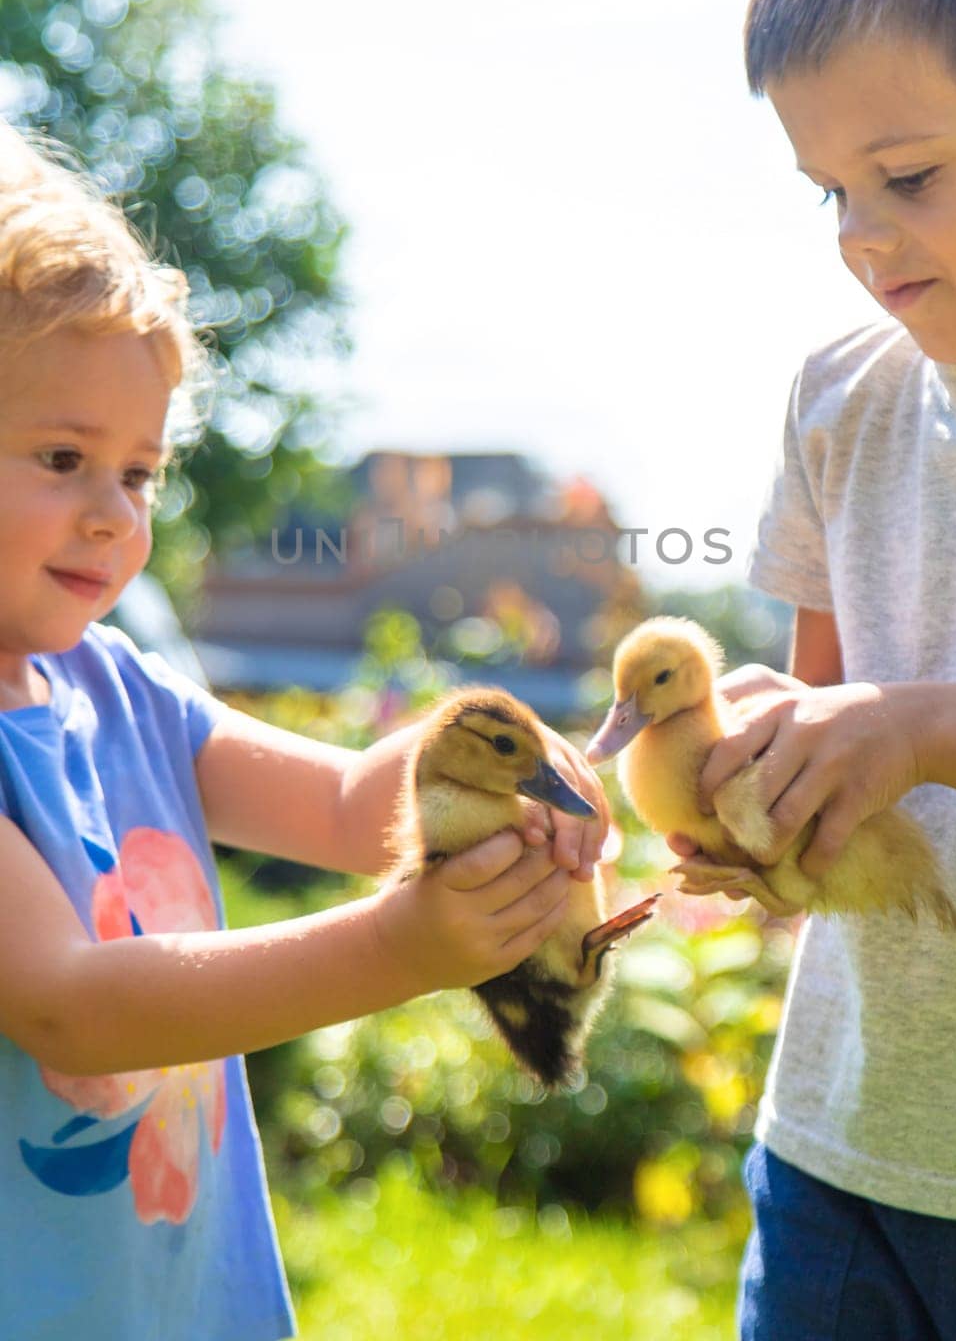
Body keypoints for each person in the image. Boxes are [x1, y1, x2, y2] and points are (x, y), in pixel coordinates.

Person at [0, 120, 608, 1341]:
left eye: (140, 474)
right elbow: (68, 1003)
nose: (115, 517)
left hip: (179, 1298)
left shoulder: (123, 688)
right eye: (65, 457)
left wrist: (497, 754)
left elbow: (346, 808)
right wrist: (401, 947)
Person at [671, 0, 956, 1339]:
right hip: (838, 1147)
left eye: (906, 177)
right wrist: (763, 770)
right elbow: (827, 704)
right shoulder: (834, 400)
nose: (861, 240)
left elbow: (902, 724)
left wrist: (920, 729)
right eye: (824, 193)